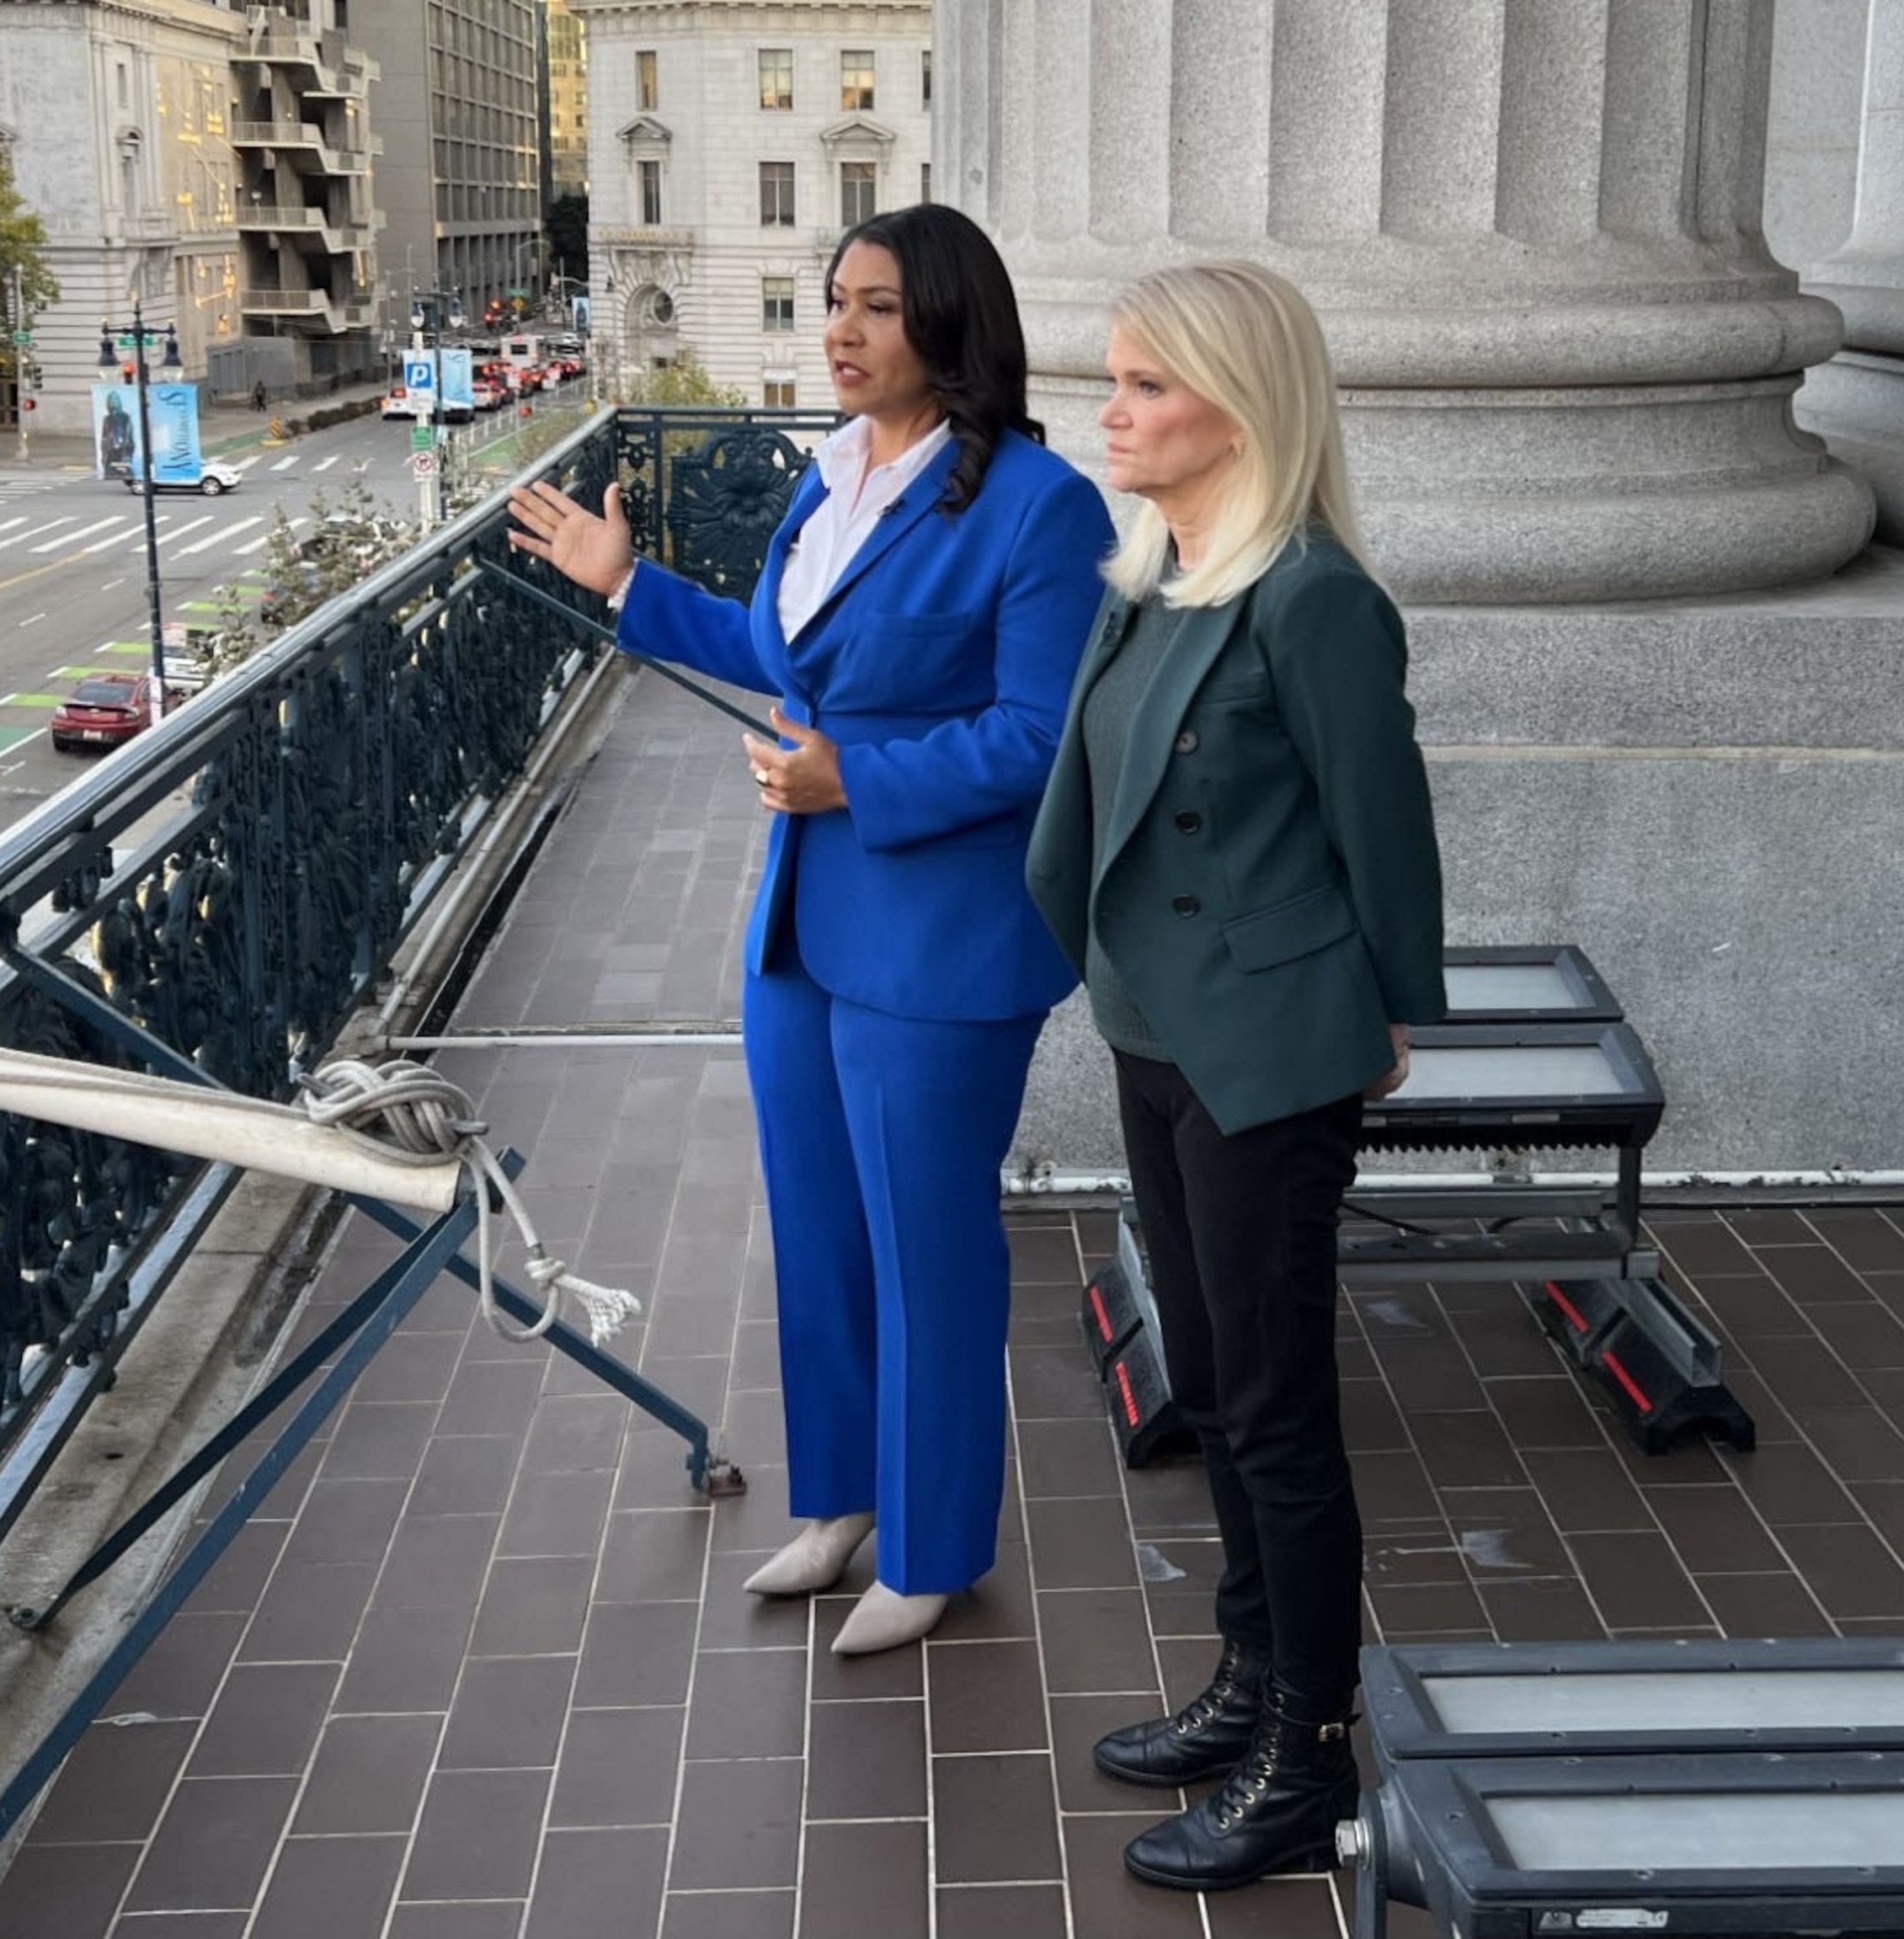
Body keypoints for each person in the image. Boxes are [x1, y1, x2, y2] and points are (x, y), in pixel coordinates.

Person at [507, 205, 1113, 1655]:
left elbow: (1047, 733)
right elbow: (791, 658)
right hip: (801, 921)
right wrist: (629, 590)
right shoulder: (832, 475)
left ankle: (934, 1543)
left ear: (952, 329)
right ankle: (840, 1503)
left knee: (930, 1249)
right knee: (820, 1235)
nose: (838, 331)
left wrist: (862, 776)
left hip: (940, 937)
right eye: (832, 301)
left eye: (877, 308)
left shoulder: (1040, 506)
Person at [1024, 260, 1446, 1889]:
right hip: (1152, 1023)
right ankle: (1251, 1677)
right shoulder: (1154, 576)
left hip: (1265, 1050)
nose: (1109, 414)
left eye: (1144, 388)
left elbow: (1382, 826)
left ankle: (1301, 1752)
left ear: (1241, 410)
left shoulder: (1314, 598)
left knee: (1273, 1413)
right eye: (1113, 381)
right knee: (1205, 1380)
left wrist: (1394, 1016)